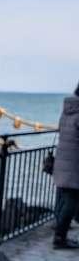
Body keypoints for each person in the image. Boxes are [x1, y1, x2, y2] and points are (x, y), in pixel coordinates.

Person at [53, 83, 79, 249]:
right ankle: (60, 238)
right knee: (71, 202)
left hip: (64, 160)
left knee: (66, 198)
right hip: (75, 163)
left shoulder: (67, 111)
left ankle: (59, 234)